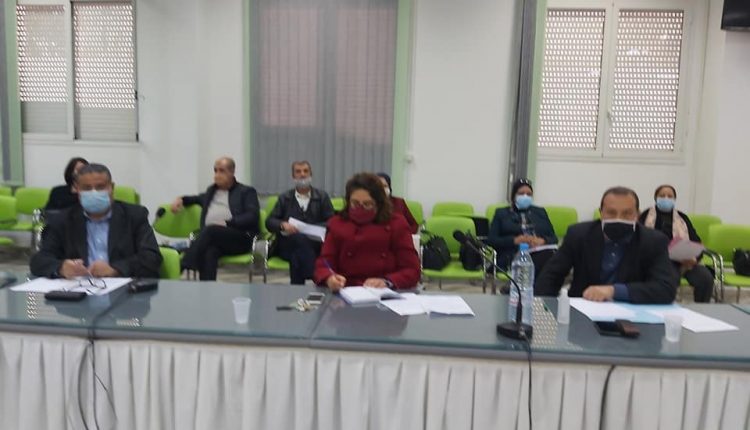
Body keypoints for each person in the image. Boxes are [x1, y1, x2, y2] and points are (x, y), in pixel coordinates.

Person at [536, 186, 678, 304]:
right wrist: (543, 310)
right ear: (601, 213)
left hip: (632, 313)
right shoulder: (579, 235)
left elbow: (666, 288)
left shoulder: (654, 241)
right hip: (585, 309)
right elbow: (551, 276)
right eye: (611, 213)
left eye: (627, 214)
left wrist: (614, 291)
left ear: (637, 215)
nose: (618, 218)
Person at [31, 163, 162, 279]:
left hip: (125, 290)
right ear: (77, 189)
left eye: (100, 187)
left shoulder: (134, 216)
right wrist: (61, 268)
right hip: (78, 291)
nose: (94, 193)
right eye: (87, 188)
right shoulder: (62, 220)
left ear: (112, 188)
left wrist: (115, 269)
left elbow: (152, 257)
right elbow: (39, 260)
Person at [313, 173, 420, 291]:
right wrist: (329, 278)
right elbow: (324, 263)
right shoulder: (337, 224)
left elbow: (412, 270)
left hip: (385, 292)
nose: (360, 208)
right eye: (355, 203)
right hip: (346, 290)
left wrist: (387, 281)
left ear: (379, 204)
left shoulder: (397, 224)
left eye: (367, 204)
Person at [171, 157, 260, 281]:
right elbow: (195, 199)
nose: (217, 175)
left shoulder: (246, 191)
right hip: (215, 240)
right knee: (209, 252)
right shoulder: (211, 191)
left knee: (210, 229)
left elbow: (252, 216)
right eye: (215, 170)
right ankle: (207, 289)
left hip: (239, 238)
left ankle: (183, 264)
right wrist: (180, 199)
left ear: (232, 172)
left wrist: (228, 222)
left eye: (221, 171)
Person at [639, 184, 714, 302]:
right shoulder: (645, 216)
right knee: (670, 278)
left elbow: (696, 241)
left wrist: (695, 258)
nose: (666, 198)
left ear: (674, 199)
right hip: (659, 260)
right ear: (656, 198)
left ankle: (702, 309)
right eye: (662, 196)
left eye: (670, 196)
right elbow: (638, 239)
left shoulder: (682, 218)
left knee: (705, 278)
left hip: (684, 261)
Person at [266, 161, 334, 284]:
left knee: (297, 255)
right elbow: (270, 221)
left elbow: (332, 222)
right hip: (287, 244)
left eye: (305, 171)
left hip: (315, 244)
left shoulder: (322, 197)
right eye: (298, 171)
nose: (302, 174)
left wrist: (309, 228)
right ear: (293, 176)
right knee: (298, 240)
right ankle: (314, 275)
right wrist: (282, 225)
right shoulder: (284, 198)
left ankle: (297, 291)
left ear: (311, 175)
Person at [487, 178, 558, 272]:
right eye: (521, 193)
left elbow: (554, 238)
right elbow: (492, 240)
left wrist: (543, 241)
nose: (525, 196)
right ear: (514, 196)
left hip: (539, 252)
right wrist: (515, 240)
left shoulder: (540, 212)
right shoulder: (501, 213)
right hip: (511, 255)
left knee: (550, 256)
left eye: (529, 194)